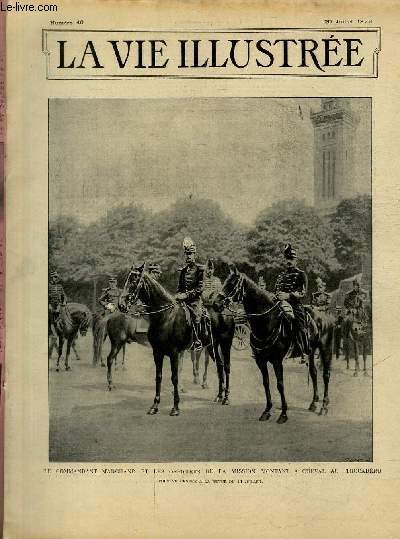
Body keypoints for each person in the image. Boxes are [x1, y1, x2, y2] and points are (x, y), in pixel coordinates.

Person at [275, 243, 310, 356]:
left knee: (299, 324)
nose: (288, 261)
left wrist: (288, 296)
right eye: (287, 259)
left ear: (296, 260)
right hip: (279, 303)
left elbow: (303, 293)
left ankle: (304, 349)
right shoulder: (281, 275)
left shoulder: (301, 274)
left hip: (294, 304)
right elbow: (276, 289)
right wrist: (276, 295)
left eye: (291, 259)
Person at [176, 237, 205, 351]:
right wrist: (178, 295)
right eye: (187, 254)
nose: (188, 256)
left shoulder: (200, 269)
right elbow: (179, 287)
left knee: (195, 316)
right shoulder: (183, 271)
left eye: (190, 254)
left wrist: (186, 295)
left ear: (194, 255)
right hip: (182, 301)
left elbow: (200, 288)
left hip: (194, 301)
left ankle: (196, 340)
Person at [48, 270, 67, 334]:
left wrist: (64, 301)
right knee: (51, 318)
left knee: (66, 315)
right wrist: (49, 305)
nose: (56, 279)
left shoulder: (60, 286)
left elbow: (63, 295)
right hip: (51, 305)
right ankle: (52, 333)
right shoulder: (48, 286)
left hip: (59, 305)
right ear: (52, 277)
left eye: (57, 277)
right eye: (55, 277)